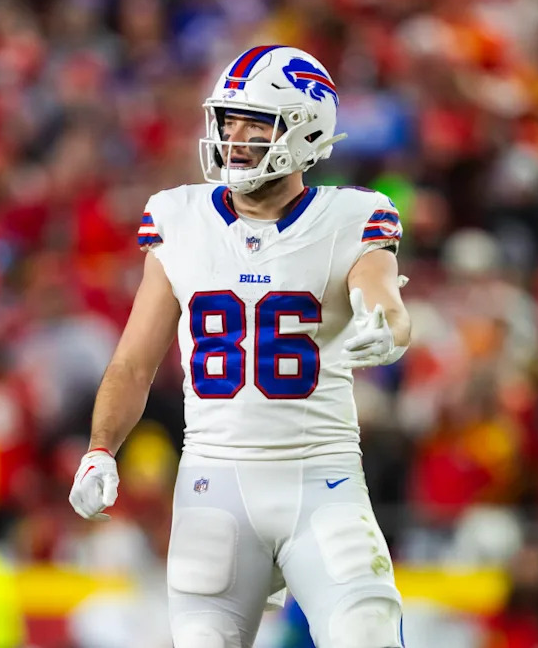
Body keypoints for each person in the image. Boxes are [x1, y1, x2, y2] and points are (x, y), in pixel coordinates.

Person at [68, 45, 411, 648]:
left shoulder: (352, 216)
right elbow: (133, 361)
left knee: (368, 634)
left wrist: (384, 324)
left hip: (322, 479)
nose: (235, 135)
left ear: (304, 128)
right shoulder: (180, 218)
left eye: (256, 120)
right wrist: (100, 448)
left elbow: (380, 294)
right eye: (229, 119)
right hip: (214, 481)